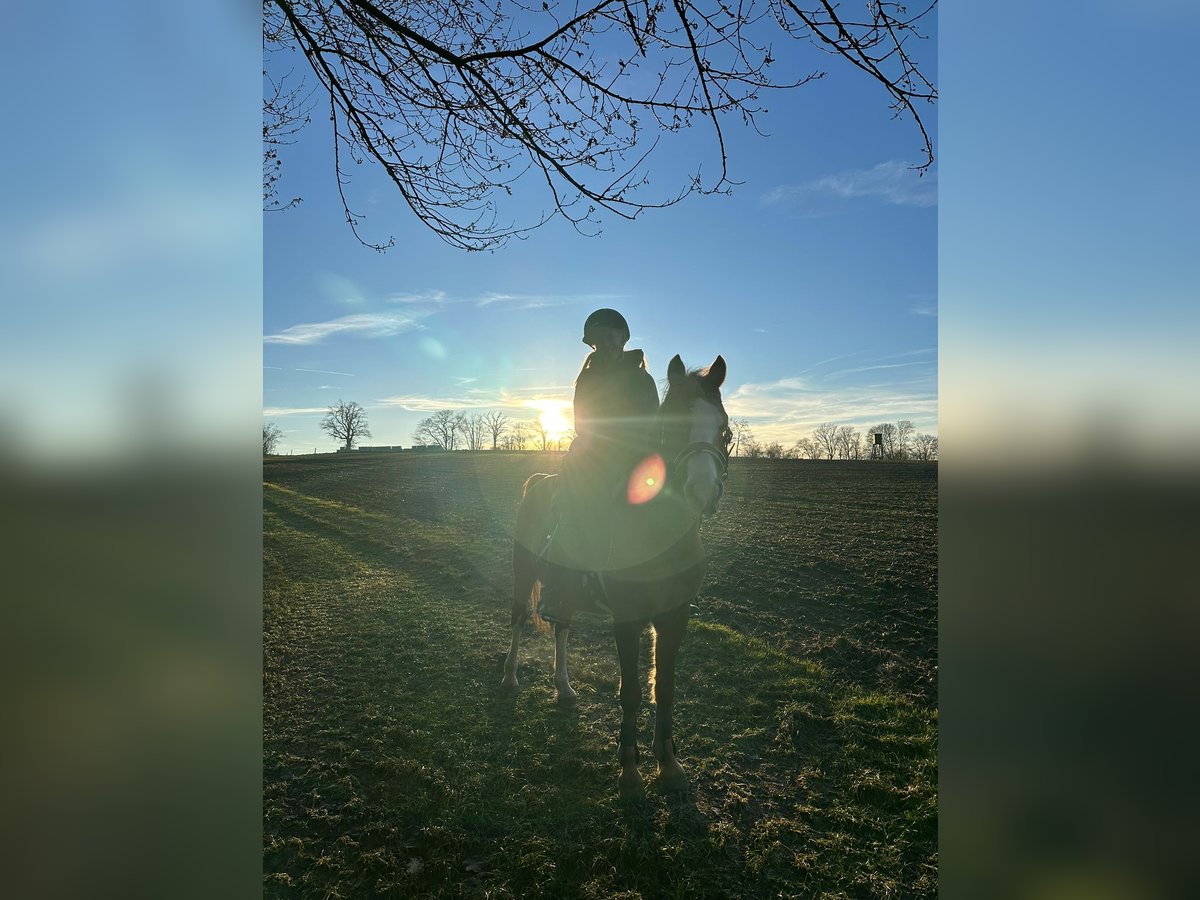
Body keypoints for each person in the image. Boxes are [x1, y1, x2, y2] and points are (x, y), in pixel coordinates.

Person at [537, 309, 660, 623]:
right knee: (572, 513)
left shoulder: (643, 379)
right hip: (592, 459)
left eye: (609, 336)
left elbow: (654, 422)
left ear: (622, 337)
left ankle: (673, 587)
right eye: (597, 340)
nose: (604, 343)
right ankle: (555, 590)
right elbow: (584, 422)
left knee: (669, 510)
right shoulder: (588, 379)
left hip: (637, 458)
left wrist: (641, 457)